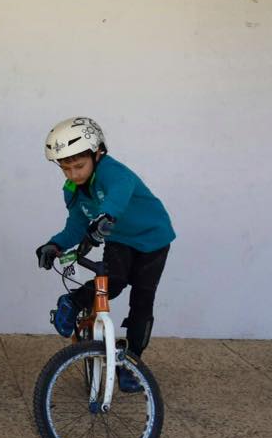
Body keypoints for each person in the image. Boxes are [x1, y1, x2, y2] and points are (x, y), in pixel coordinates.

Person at [36, 116, 175, 392]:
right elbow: (76, 225)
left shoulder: (113, 172)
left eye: (79, 166)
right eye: (66, 169)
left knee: (142, 303)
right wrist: (54, 245)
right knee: (113, 283)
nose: (73, 174)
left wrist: (104, 217)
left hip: (154, 239)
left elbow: (118, 197)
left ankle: (131, 364)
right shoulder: (73, 190)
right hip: (119, 239)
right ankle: (72, 302)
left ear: (97, 153)